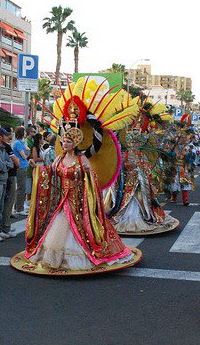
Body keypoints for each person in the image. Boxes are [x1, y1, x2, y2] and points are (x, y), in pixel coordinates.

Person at [14, 78, 144, 274]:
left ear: (75, 142)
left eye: (68, 141)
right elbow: (50, 173)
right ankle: (55, 258)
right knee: (56, 230)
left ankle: (82, 257)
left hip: (79, 203)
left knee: (81, 233)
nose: (65, 144)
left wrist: (86, 197)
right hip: (62, 201)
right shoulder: (58, 159)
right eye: (63, 141)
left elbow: (91, 180)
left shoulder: (82, 159)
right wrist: (40, 171)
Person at [1, 126, 20, 238]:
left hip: (6, 176)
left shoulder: (3, 147)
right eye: (10, 133)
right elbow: (16, 163)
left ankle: (4, 226)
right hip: (9, 176)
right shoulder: (6, 147)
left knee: (6, 203)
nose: (12, 135)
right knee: (8, 203)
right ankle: (5, 227)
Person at [12, 126, 28, 214]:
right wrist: (27, 151)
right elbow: (24, 156)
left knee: (21, 188)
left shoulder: (20, 143)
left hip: (23, 166)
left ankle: (18, 206)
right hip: (21, 167)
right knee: (21, 188)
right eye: (24, 132)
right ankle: (19, 208)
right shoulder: (18, 143)